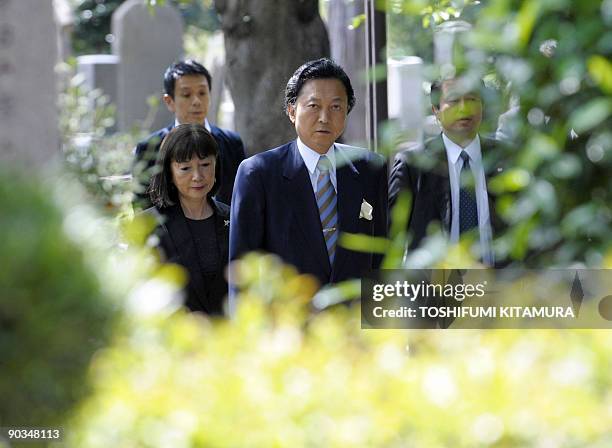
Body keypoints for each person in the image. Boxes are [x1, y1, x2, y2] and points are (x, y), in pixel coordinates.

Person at [229, 58, 388, 292]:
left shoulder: (369, 167)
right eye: (314, 106)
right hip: (289, 321)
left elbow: (382, 255)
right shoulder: (259, 174)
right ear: (292, 111)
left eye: (336, 107)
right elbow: (242, 270)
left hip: (355, 320)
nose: (324, 117)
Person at [389, 76, 505, 266]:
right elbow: (391, 237)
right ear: (436, 110)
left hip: (502, 287)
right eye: (453, 101)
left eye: (471, 99)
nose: (464, 108)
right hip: (436, 288)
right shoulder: (414, 165)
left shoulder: (504, 157)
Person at [133, 59, 245, 208]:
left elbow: (241, 199)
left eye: (202, 93)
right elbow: (142, 210)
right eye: (186, 95)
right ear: (169, 101)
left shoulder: (232, 143)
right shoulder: (149, 148)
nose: (197, 101)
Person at [146, 124, 229, 315]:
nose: (197, 176)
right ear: (169, 172)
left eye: (205, 165)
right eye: (185, 168)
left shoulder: (234, 218)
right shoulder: (150, 225)